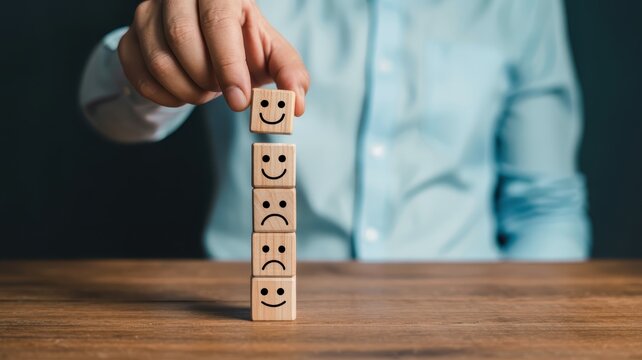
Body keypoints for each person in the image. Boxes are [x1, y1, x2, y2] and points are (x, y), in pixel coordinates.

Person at [79, 0, 590, 261]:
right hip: (244, 324)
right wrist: (149, 61)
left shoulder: (523, 8)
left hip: (460, 325)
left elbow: (546, 206)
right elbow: (110, 113)